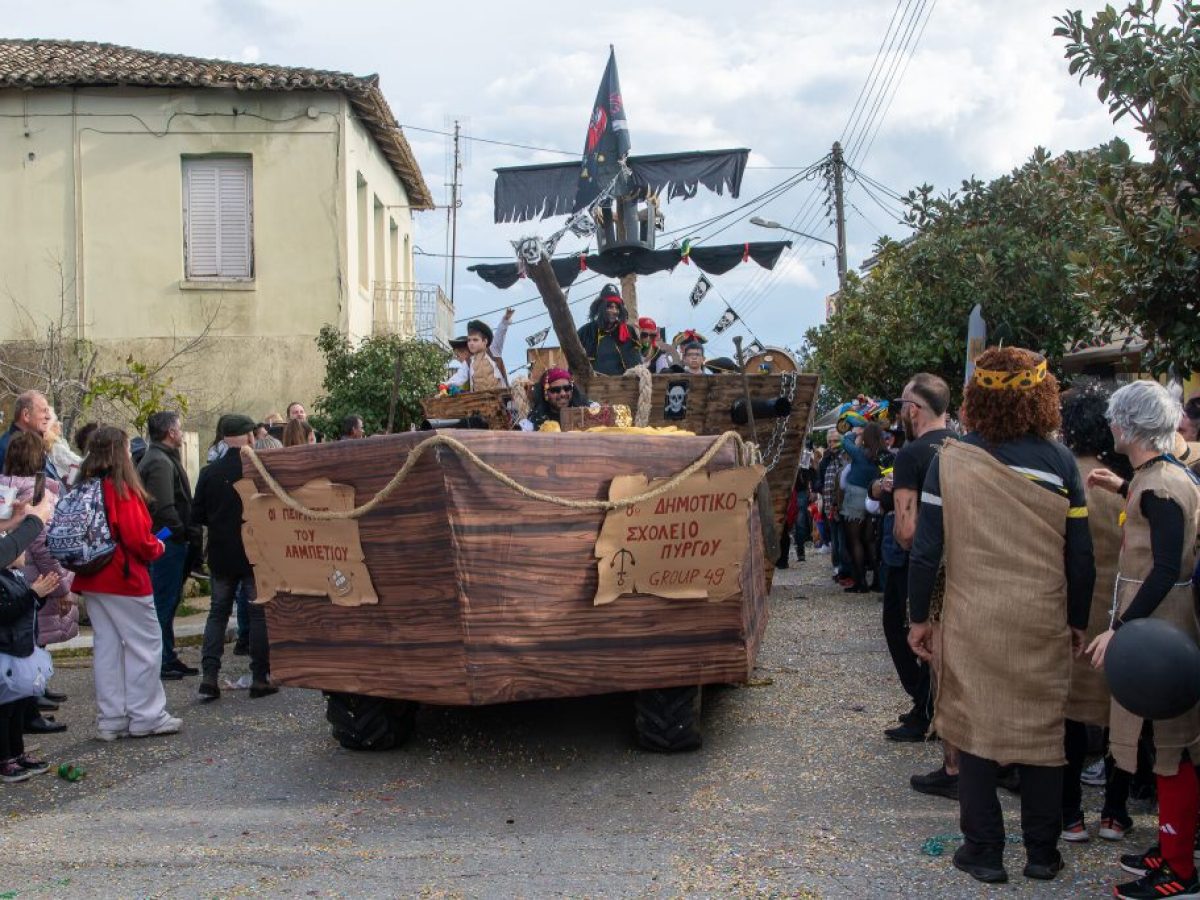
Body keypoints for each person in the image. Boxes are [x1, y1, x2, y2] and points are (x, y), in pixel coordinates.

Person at [907, 347, 1095, 885]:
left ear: (977, 395)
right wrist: (1077, 618)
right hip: (1043, 614)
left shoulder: (951, 458)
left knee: (974, 728)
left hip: (973, 616)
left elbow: (926, 551)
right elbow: (1080, 555)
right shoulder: (1061, 463)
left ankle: (984, 851)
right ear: (1042, 395)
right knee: (1042, 734)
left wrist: (920, 617)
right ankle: (1042, 853)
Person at [1085, 380, 1200, 900]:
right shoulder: (1156, 477)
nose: (1109, 425)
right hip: (1162, 627)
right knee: (1164, 746)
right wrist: (1121, 488)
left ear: (1129, 426)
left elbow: (1166, 569)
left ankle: (1180, 870)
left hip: (1164, 631)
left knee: (1174, 750)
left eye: (1115, 418)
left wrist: (1121, 630)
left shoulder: (1160, 487)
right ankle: (1170, 849)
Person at [1057, 380, 1134, 845]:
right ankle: (1114, 812)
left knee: (1067, 715)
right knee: (1120, 715)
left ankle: (1070, 816)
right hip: (1121, 610)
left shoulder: (1064, 481)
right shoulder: (1123, 484)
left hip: (1073, 611)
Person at [71, 426, 181, 741]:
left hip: (92, 576)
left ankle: (112, 718)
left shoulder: (84, 486)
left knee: (107, 649)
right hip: (124, 576)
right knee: (144, 647)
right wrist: (157, 546)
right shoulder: (121, 489)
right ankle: (146, 715)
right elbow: (138, 539)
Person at [880, 373, 955, 746]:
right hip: (959, 560)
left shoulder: (911, 454)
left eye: (902, 407)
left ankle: (923, 707)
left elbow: (907, 531)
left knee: (904, 628)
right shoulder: (964, 446)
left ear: (914, 410)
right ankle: (931, 708)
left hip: (922, 561)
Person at [192, 414, 275, 701]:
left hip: (221, 553)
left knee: (217, 614)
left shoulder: (209, 473)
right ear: (250, 436)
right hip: (254, 552)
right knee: (258, 614)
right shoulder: (260, 471)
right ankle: (260, 677)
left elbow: (197, 515)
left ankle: (210, 677)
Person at [2, 432, 76, 733]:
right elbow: (43, 546)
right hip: (34, 579)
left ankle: (28, 705)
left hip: (14, 577)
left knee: (19, 648)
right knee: (29, 649)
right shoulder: (39, 494)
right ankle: (29, 713)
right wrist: (61, 588)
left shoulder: (5, 487)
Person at [137, 411, 201, 681]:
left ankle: (169, 655)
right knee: (163, 601)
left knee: (168, 600)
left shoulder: (160, 458)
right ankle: (162, 659)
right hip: (166, 541)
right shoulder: (160, 462)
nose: (181, 432)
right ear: (169, 432)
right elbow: (163, 508)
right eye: (178, 427)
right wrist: (179, 534)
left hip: (167, 539)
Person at [0, 557, 59, 783]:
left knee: (19, 705)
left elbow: (27, 607)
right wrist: (33, 594)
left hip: (21, 647)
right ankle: (4, 758)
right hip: (6, 650)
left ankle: (17, 752)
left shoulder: (15, 575)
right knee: (4, 709)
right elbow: (7, 612)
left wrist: (39, 595)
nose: (25, 550)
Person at [840, 423, 884, 593]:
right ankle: (878, 581)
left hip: (855, 497)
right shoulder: (880, 455)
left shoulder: (860, 453)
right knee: (870, 541)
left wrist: (854, 432)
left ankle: (861, 582)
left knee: (855, 541)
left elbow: (846, 441)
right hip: (873, 496)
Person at [576, 285, 641, 376]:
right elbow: (575, 365)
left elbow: (637, 364)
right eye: (610, 307)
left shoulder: (628, 331)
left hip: (625, 387)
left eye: (617, 307)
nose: (614, 311)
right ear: (601, 307)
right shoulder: (585, 332)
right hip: (594, 387)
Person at [0, 391, 60, 483]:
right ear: (26, 415)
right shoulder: (10, 448)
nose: (48, 417)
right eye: (44, 411)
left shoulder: (34, 444)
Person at [819, 433, 852, 587]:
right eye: (830, 441)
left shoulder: (845, 457)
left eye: (836, 441)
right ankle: (838, 569)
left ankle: (845, 571)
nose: (833, 444)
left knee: (842, 540)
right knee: (834, 539)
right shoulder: (826, 459)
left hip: (841, 505)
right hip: (828, 507)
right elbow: (820, 481)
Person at [518, 368, 590, 431]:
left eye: (567, 388)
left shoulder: (588, 411)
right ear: (545, 393)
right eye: (555, 390)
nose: (563, 394)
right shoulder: (532, 423)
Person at [447, 317, 509, 391]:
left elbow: (500, 334)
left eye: (475, 340)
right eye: (469, 340)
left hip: (500, 399)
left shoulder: (493, 352)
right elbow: (458, 377)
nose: (471, 343)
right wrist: (445, 385)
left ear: (485, 341)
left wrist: (505, 320)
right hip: (480, 400)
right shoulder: (468, 362)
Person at [44, 409, 83, 485]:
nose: (60, 423)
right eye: (56, 421)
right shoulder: (56, 447)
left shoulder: (53, 444)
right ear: (51, 426)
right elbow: (76, 461)